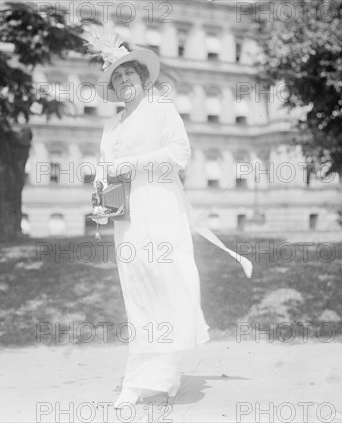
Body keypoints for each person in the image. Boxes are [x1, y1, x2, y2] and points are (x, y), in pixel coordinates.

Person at [89, 41, 211, 408]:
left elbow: (179, 154)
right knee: (138, 290)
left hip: (160, 205)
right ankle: (141, 376)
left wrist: (133, 164)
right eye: (118, 76)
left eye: (130, 73)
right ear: (113, 88)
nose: (125, 80)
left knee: (168, 284)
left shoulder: (160, 108)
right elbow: (104, 166)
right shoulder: (112, 125)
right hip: (126, 215)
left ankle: (161, 376)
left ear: (142, 79)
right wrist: (99, 196)